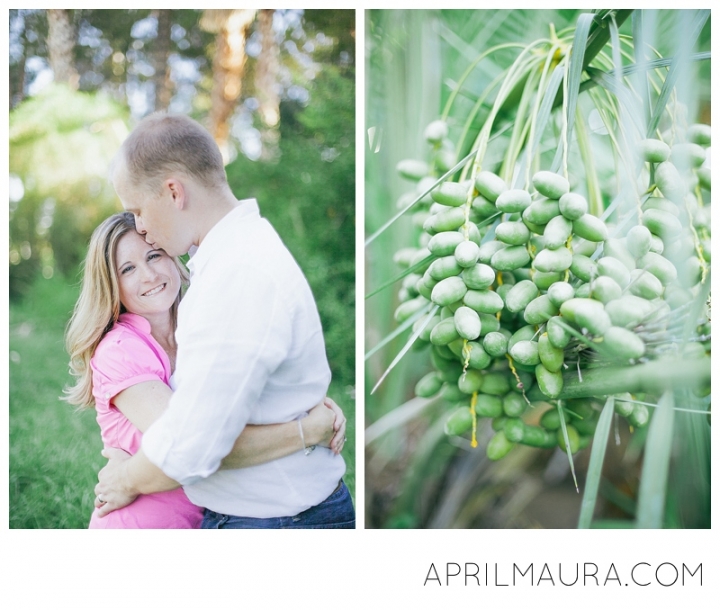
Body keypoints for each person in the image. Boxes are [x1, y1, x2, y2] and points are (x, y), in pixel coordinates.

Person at [93, 112, 355, 528]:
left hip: (278, 523)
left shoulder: (239, 275)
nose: (140, 226)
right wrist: (307, 422)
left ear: (173, 192)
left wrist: (126, 478)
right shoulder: (230, 262)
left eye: (138, 210)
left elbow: (195, 444)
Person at [64, 212, 346, 528]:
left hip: (209, 519)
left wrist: (310, 406)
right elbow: (194, 444)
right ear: (111, 285)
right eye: (127, 269)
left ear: (172, 257)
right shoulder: (119, 350)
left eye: (154, 256)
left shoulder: (201, 324)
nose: (149, 275)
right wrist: (307, 431)